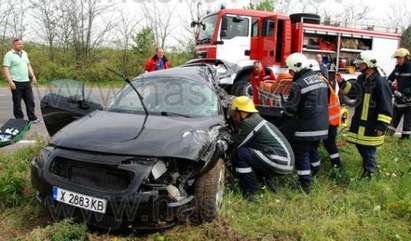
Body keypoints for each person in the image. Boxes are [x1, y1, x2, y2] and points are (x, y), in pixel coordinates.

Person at [338, 51, 393, 178]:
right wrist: (342, 83)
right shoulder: (362, 78)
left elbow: (386, 104)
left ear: (370, 65)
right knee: (360, 144)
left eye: (362, 64)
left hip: (372, 122)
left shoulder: (380, 82)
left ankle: (370, 173)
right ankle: (371, 167)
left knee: (369, 148)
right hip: (360, 121)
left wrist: (382, 125)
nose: (359, 66)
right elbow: (353, 92)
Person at [230, 96, 294, 201]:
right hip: (284, 161)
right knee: (252, 155)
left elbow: (237, 144)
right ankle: (269, 187)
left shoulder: (248, 123)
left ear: (241, 112)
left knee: (241, 154)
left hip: (280, 161)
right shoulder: (256, 119)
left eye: (234, 113)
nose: (233, 117)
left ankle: (251, 192)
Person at [283, 53, 329, 193]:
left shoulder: (298, 84)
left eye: (291, 70)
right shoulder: (321, 80)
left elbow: (291, 108)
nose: (290, 74)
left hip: (305, 127)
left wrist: (284, 111)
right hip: (322, 126)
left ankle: (305, 185)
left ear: (297, 68)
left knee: (301, 154)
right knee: (313, 150)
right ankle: (315, 172)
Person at [309, 59, 343, 169]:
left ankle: (317, 168)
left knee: (316, 143)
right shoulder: (322, 79)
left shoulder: (319, 82)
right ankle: (336, 165)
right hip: (331, 119)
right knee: (329, 143)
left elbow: (320, 103)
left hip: (328, 120)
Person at [2, 38, 39, 123]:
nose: (21, 45)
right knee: (17, 102)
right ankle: (19, 120)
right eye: (19, 44)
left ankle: (32, 118)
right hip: (16, 82)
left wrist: (33, 76)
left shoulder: (25, 53)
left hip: (26, 81)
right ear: (14, 45)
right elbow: (6, 68)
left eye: (22, 44)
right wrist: (10, 81)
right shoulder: (9, 55)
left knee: (30, 101)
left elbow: (28, 65)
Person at [387, 48, 411, 140]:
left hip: (409, 101)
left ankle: (404, 141)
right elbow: (389, 79)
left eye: (399, 58)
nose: (398, 60)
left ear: (406, 58)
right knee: (393, 121)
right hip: (399, 99)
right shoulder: (397, 68)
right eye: (397, 58)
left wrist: (407, 92)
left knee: (407, 124)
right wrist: (391, 88)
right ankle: (387, 138)